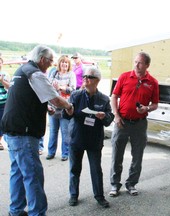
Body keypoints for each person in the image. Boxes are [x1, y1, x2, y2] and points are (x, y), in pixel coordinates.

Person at [1, 45, 74, 215]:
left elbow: (27, 97)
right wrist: (69, 106)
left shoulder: (22, 70)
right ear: (42, 59)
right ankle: (37, 212)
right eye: (50, 62)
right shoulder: (35, 73)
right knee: (33, 175)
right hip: (24, 133)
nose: (50, 65)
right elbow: (55, 99)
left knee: (18, 172)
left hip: (12, 129)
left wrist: (44, 107)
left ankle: (16, 210)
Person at [63, 66, 114, 208]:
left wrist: (104, 116)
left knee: (96, 169)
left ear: (97, 80)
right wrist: (68, 109)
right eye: (84, 76)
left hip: (94, 140)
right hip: (77, 138)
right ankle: (73, 195)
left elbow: (109, 120)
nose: (85, 79)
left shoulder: (103, 99)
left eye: (89, 77)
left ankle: (99, 196)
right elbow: (67, 115)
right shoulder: (76, 95)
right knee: (74, 168)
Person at [109, 52, 159, 197]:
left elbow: (155, 104)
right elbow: (114, 97)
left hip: (139, 124)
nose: (136, 65)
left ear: (147, 65)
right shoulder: (124, 77)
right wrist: (116, 116)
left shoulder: (152, 82)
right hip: (122, 122)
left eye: (140, 63)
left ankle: (131, 184)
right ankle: (115, 184)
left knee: (137, 156)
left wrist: (146, 108)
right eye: (135, 62)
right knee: (116, 155)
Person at [46, 55, 76, 161]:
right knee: (53, 131)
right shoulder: (54, 73)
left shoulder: (71, 74)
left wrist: (60, 88)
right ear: (59, 63)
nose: (64, 64)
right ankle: (51, 152)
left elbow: (72, 89)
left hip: (65, 107)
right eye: (62, 62)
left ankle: (65, 153)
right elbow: (48, 87)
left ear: (69, 65)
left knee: (65, 132)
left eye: (66, 63)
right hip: (53, 106)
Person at [0, 57, 10, 150]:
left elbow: (10, 87)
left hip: (3, 103)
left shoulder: (5, 74)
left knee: (3, 123)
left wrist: (2, 81)